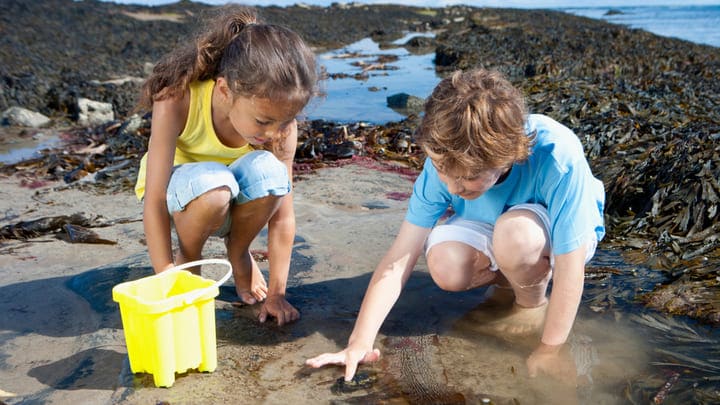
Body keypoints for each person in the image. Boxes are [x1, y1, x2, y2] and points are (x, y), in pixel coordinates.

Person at [306, 68, 605, 382]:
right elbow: (399, 258)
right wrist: (359, 343)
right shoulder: (446, 159)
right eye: (442, 173)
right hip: (488, 220)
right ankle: (511, 273)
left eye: (467, 178)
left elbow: (572, 268)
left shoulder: (557, 156)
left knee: (515, 236)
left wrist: (550, 348)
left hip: (547, 233)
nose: (452, 188)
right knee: (447, 265)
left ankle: (530, 302)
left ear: (507, 156)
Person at [134, 5, 318, 326]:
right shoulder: (177, 98)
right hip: (185, 198)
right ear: (224, 90)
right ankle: (189, 259)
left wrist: (277, 293)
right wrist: (165, 274)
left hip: (234, 196)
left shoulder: (281, 128)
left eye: (286, 120)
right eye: (263, 121)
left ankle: (238, 250)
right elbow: (155, 198)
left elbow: (283, 216)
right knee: (215, 186)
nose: (275, 132)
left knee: (271, 174)